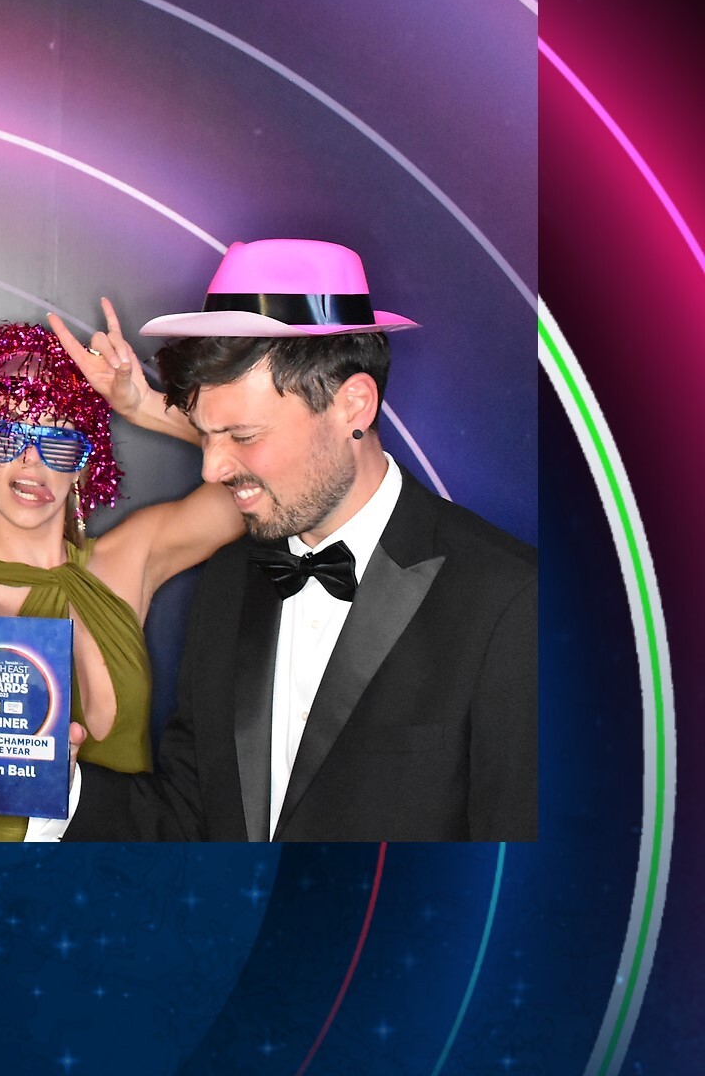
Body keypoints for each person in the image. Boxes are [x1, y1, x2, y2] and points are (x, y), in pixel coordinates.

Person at [60, 238, 538, 842]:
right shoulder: (228, 580)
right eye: (205, 435)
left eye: (243, 435)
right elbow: (192, 818)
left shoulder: (508, 602)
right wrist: (57, 786)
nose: (211, 468)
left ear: (353, 405)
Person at [0, 314, 242, 842]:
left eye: (57, 440)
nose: (32, 462)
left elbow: (254, 481)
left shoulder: (127, 560)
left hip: (135, 878)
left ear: (83, 461)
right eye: (6, 436)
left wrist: (144, 406)